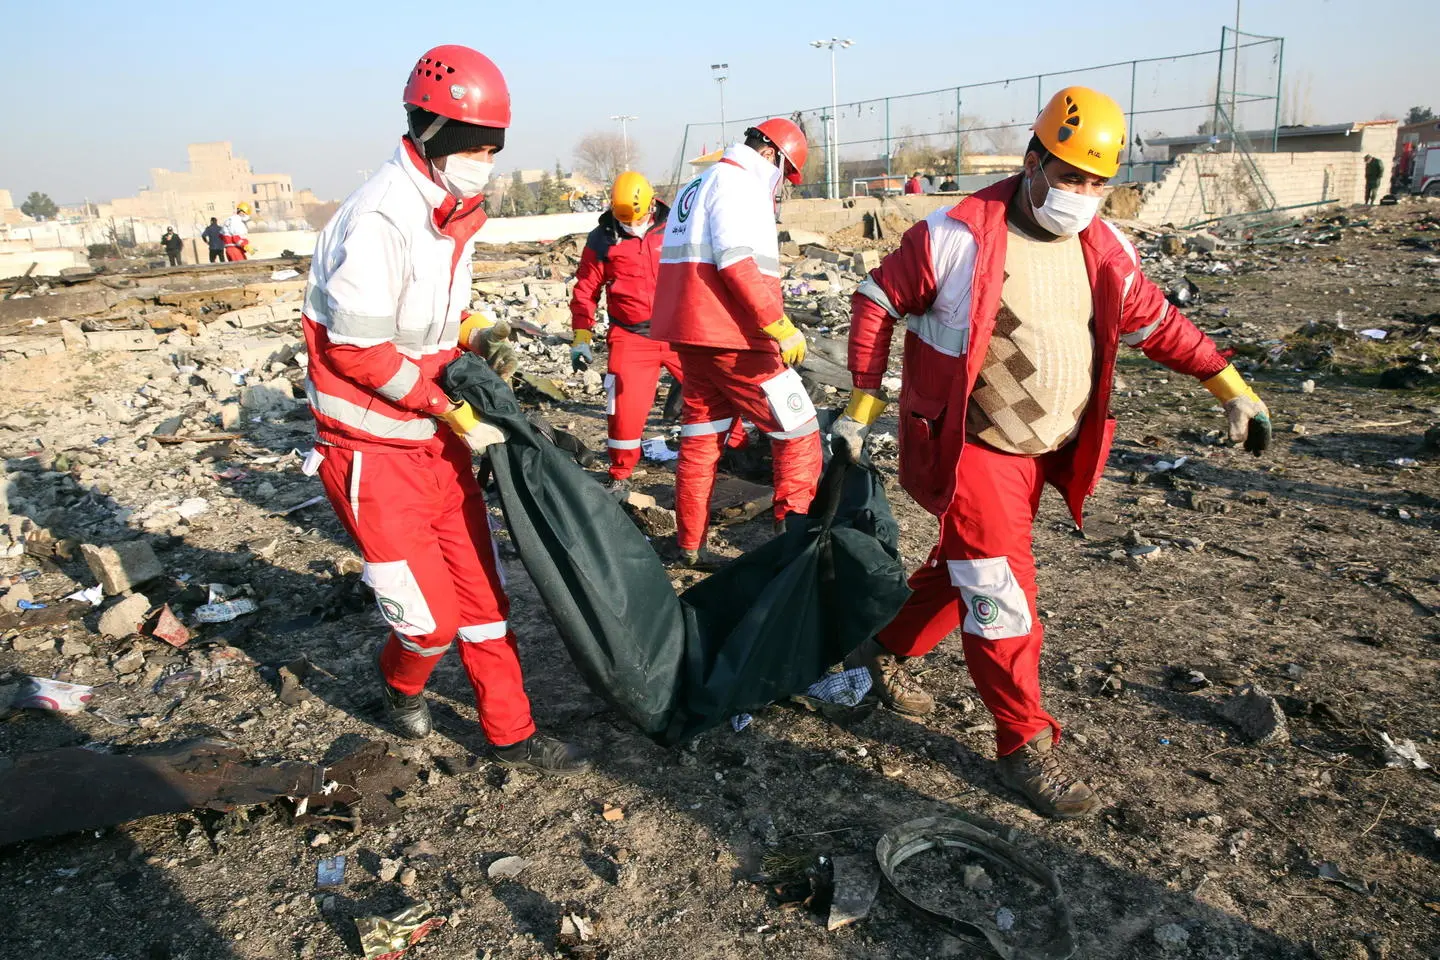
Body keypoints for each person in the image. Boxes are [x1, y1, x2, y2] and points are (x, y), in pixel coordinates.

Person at [833, 87, 1272, 819]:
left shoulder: (1105, 248)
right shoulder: (957, 235)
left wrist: (1230, 387)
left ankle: (882, 643)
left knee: (967, 568)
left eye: (1099, 183)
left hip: (1044, 452)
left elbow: (1159, 322)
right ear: (1033, 161)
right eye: (1071, 176)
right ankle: (1023, 743)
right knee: (1002, 592)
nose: (1083, 196)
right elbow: (876, 300)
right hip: (973, 448)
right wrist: (862, 403)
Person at [301, 43, 589, 776]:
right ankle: (398, 683)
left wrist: (478, 332)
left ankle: (512, 733)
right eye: (471, 145)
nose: (483, 159)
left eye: (493, 147)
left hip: (434, 443)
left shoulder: (449, 214)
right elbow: (357, 352)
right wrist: (445, 408)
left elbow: (433, 318)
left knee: (484, 598)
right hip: (371, 453)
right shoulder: (381, 220)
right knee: (430, 625)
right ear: (426, 131)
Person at [650, 118, 820, 566]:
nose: (782, 184)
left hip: (692, 338)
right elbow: (736, 261)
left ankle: (690, 544)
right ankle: (794, 553)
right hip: (736, 338)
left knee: (702, 440)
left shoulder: (697, 184)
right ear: (771, 155)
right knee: (799, 432)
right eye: (785, 172)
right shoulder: (739, 182)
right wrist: (777, 324)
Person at [569, 171, 681, 497]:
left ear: (652, 202)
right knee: (623, 409)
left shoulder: (677, 226)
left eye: (641, 216)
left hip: (680, 331)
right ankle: (620, 473)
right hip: (631, 336)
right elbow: (586, 290)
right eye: (626, 220)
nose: (634, 224)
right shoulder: (603, 238)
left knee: (717, 391)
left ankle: (735, 448)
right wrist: (581, 336)